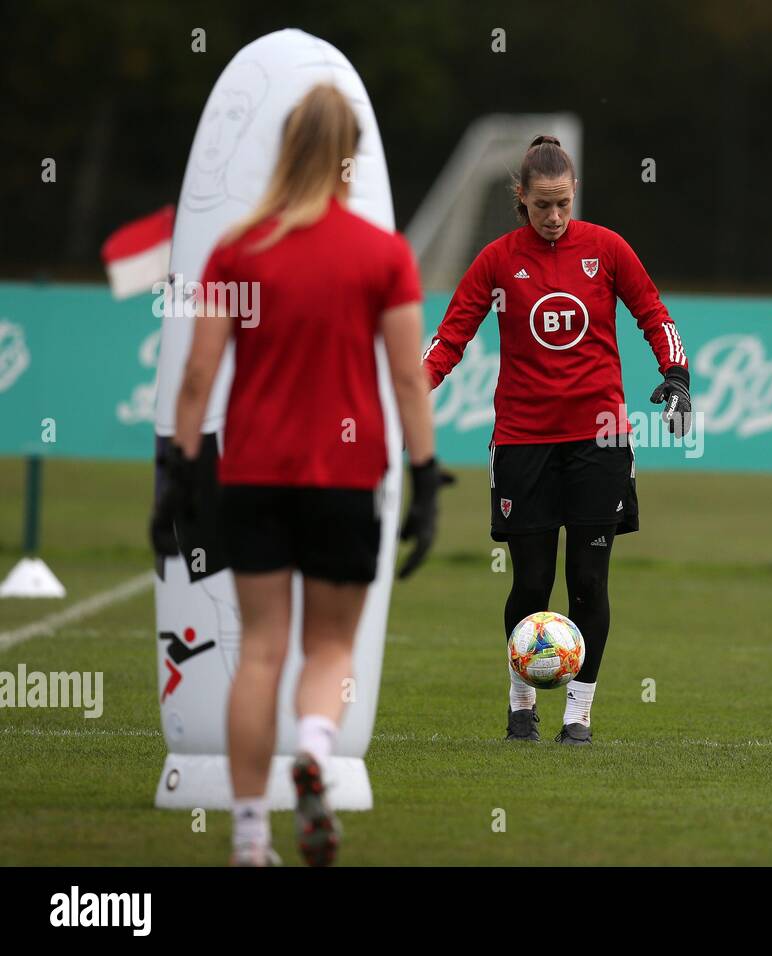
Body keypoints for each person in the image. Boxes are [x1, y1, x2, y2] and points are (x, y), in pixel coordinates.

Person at [156, 83, 438, 866]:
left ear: (286, 148)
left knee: (261, 653)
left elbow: (196, 377)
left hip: (252, 476)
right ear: (350, 156)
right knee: (330, 650)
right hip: (347, 478)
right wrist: (427, 474)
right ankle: (315, 745)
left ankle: (249, 839)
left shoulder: (239, 250)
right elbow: (409, 379)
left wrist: (179, 473)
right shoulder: (383, 254)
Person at [422, 135, 690, 746]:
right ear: (521, 198)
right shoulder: (496, 260)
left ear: (574, 196)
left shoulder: (607, 249)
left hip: (599, 440)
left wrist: (675, 375)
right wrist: (411, 391)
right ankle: (522, 708)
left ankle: (579, 716)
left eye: (563, 203)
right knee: (530, 583)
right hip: (523, 442)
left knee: (589, 583)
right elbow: (451, 335)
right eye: (542, 204)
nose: (554, 216)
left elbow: (654, 313)